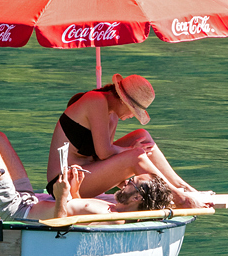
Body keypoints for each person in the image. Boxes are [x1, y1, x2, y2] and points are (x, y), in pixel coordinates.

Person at [0, 130, 172, 221]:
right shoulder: (109, 206)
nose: (125, 182)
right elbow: (73, 211)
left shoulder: (113, 216)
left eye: (132, 182)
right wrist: (72, 190)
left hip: (16, 209)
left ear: (137, 197)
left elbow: (61, 229)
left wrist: (62, 198)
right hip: (27, 200)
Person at [46, 74, 212, 209]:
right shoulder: (95, 100)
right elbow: (105, 152)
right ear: (122, 100)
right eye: (133, 110)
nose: (133, 115)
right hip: (65, 182)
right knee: (136, 154)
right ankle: (180, 198)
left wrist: (128, 173)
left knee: (142, 135)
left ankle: (185, 188)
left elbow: (103, 157)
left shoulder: (112, 114)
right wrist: (131, 152)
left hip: (88, 172)